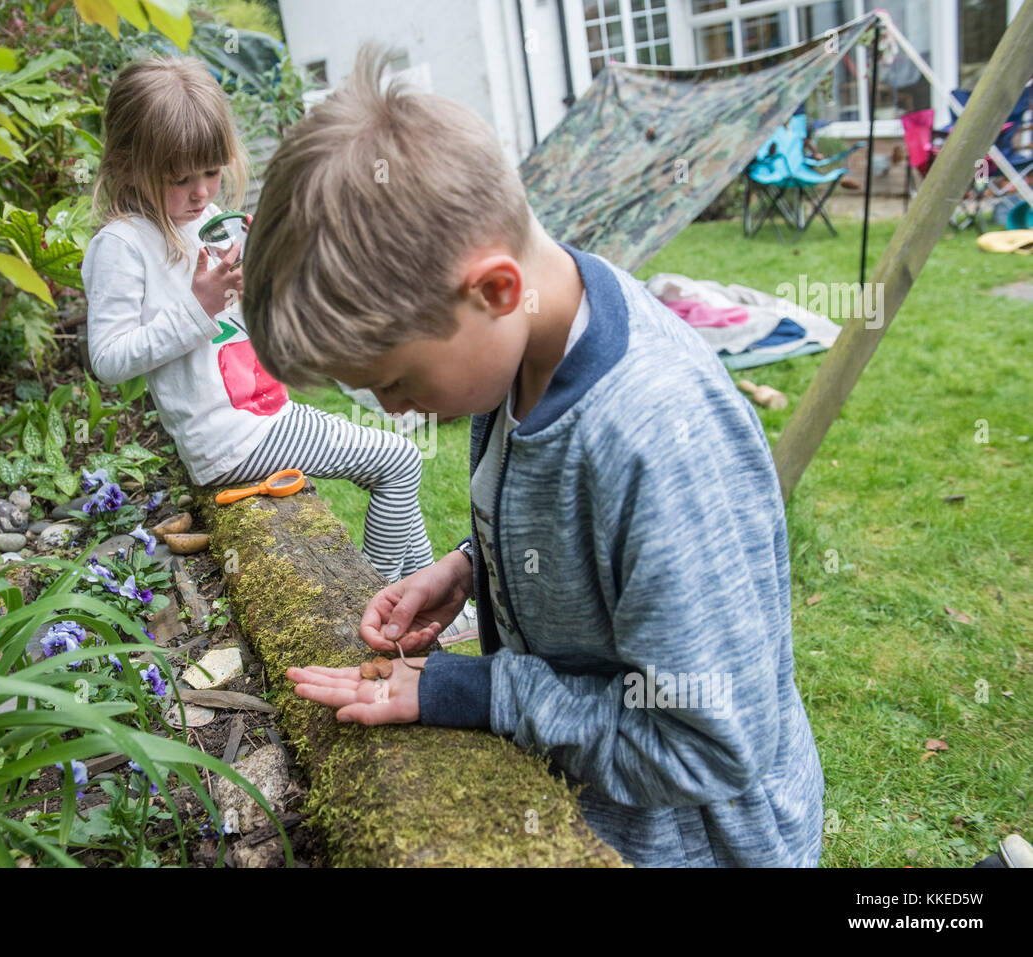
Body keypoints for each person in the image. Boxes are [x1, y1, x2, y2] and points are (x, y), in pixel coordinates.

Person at [241, 44, 825, 867]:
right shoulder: (522, 350)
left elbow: (708, 745)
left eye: (396, 380)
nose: (395, 410)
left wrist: (481, 692)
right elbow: (580, 539)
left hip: (693, 845)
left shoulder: (659, 441)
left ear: (494, 290)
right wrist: (470, 565)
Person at [81, 56, 436, 583]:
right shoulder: (122, 245)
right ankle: (383, 609)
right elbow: (107, 360)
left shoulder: (205, 221)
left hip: (263, 416)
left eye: (211, 170)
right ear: (128, 165)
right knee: (399, 461)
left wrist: (260, 271)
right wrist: (200, 306)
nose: (202, 191)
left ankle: (433, 599)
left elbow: (246, 322)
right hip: (233, 441)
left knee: (398, 459)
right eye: (180, 178)